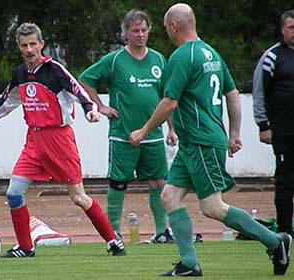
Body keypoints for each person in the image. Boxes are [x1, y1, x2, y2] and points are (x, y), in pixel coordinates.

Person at [130, 3, 292, 277]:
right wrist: (234, 133)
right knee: (169, 196)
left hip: (202, 142)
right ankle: (189, 264)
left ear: (173, 26)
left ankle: (277, 243)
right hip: (195, 142)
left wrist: (143, 131)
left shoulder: (182, 56)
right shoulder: (211, 53)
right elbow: (231, 94)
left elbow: (169, 103)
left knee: (212, 206)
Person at [0, 22, 126, 258]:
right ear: (19, 47)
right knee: (13, 193)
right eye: (24, 45)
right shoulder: (20, 74)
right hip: (33, 140)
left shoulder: (55, 70)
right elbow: (7, 101)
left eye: (33, 44)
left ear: (41, 44)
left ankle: (113, 241)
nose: (29, 49)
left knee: (78, 197)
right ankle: (25, 247)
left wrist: (90, 109)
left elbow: (79, 91)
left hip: (60, 140)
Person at [79, 9, 178, 243]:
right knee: (119, 182)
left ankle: (162, 232)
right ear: (126, 34)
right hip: (123, 134)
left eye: (144, 30)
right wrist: (100, 106)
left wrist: (172, 129)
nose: (140, 35)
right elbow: (84, 79)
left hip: (153, 135)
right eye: (135, 31)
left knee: (159, 182)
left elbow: (167, 97)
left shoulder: (158, 59)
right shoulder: (115, 60)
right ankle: (113, 232)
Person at [252, 10, 294, 237]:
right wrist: (263, 124)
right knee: (285, 181)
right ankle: (286, 229)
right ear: (282, 29)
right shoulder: (272, 57)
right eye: (291, 28)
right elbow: (259, 92)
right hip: (283, 131)